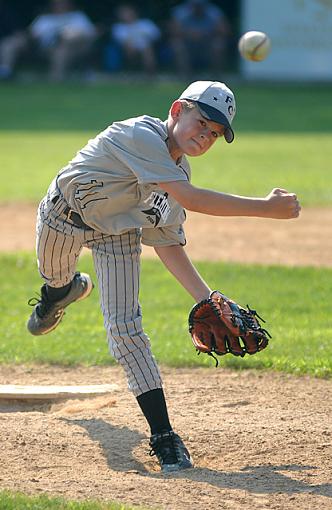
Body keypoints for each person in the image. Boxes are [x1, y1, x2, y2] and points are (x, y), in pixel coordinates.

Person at [26, 80, 300, 472]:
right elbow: (193, 199)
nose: (205, 136)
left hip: (117, 234)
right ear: (176, 110)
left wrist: (207, 299)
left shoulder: (176, 176)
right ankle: (60, 292)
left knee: (126, 330)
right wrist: (266, 208)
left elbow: (168, 244)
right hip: (63, 216)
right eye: (201, 123)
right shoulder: (140, 134)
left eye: (215, 134)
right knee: (55, 275)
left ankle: (164, 436)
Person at [0, 0, 96, 81]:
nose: (59, 5)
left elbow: (89, 33)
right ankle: (5, 72)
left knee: (62, 50)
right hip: (43, 48)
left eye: (62, 3)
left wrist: (69, 36)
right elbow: (32, 34)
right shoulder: (44, 19)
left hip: (72, 48)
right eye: (56, 3)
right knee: (10, 43)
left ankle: (56, 79)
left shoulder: (77, 16)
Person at [169, 0, 232, 77]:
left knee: (219, 44)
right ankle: (184, 75)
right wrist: (190, 33)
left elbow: (225, 31)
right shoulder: (180, 13)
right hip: (187, 43)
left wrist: (205, 33)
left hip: (208, 43)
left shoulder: (214, 12)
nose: (198, 8)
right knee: (177, 45)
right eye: (195, 5)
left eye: (200, 5)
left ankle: (216, 75)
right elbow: (173, 31)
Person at [107, 4, 161, 74]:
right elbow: (121, 41)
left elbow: (156, 36)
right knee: (129, 46)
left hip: (148, 46)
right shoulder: (118, 27)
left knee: (146, 48)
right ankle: (132, 70)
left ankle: (150, 73)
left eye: (126, 12)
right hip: (127, 48)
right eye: (122, 13)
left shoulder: (146, 23)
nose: (125, 15)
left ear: (134, 12)